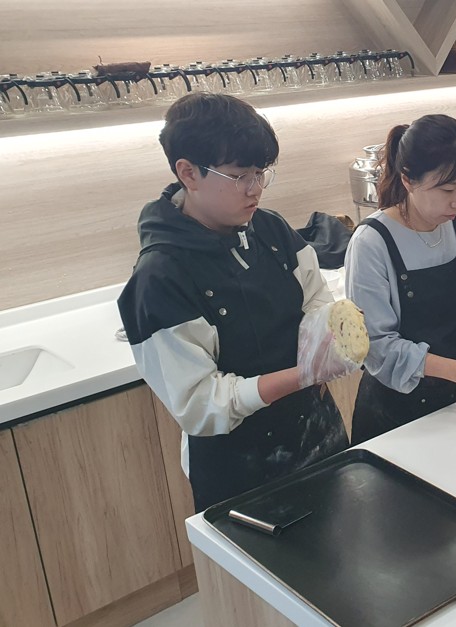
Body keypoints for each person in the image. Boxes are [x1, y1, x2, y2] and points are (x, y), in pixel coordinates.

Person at [117, 93, 354, 512]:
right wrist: (302, 375)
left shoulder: (271, 230)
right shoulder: (160, 278)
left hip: (319, 437)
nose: (255, 189)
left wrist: (331, 336)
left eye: (261, 173)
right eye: (239, 176)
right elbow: (200, 403)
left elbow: (315, 297)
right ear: (188, 173)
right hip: (238, 472)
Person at [345, 114, 456, 443]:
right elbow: (378, 347)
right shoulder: (372, 242)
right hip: (394, 413)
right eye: (447, 188)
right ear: (408, 180)